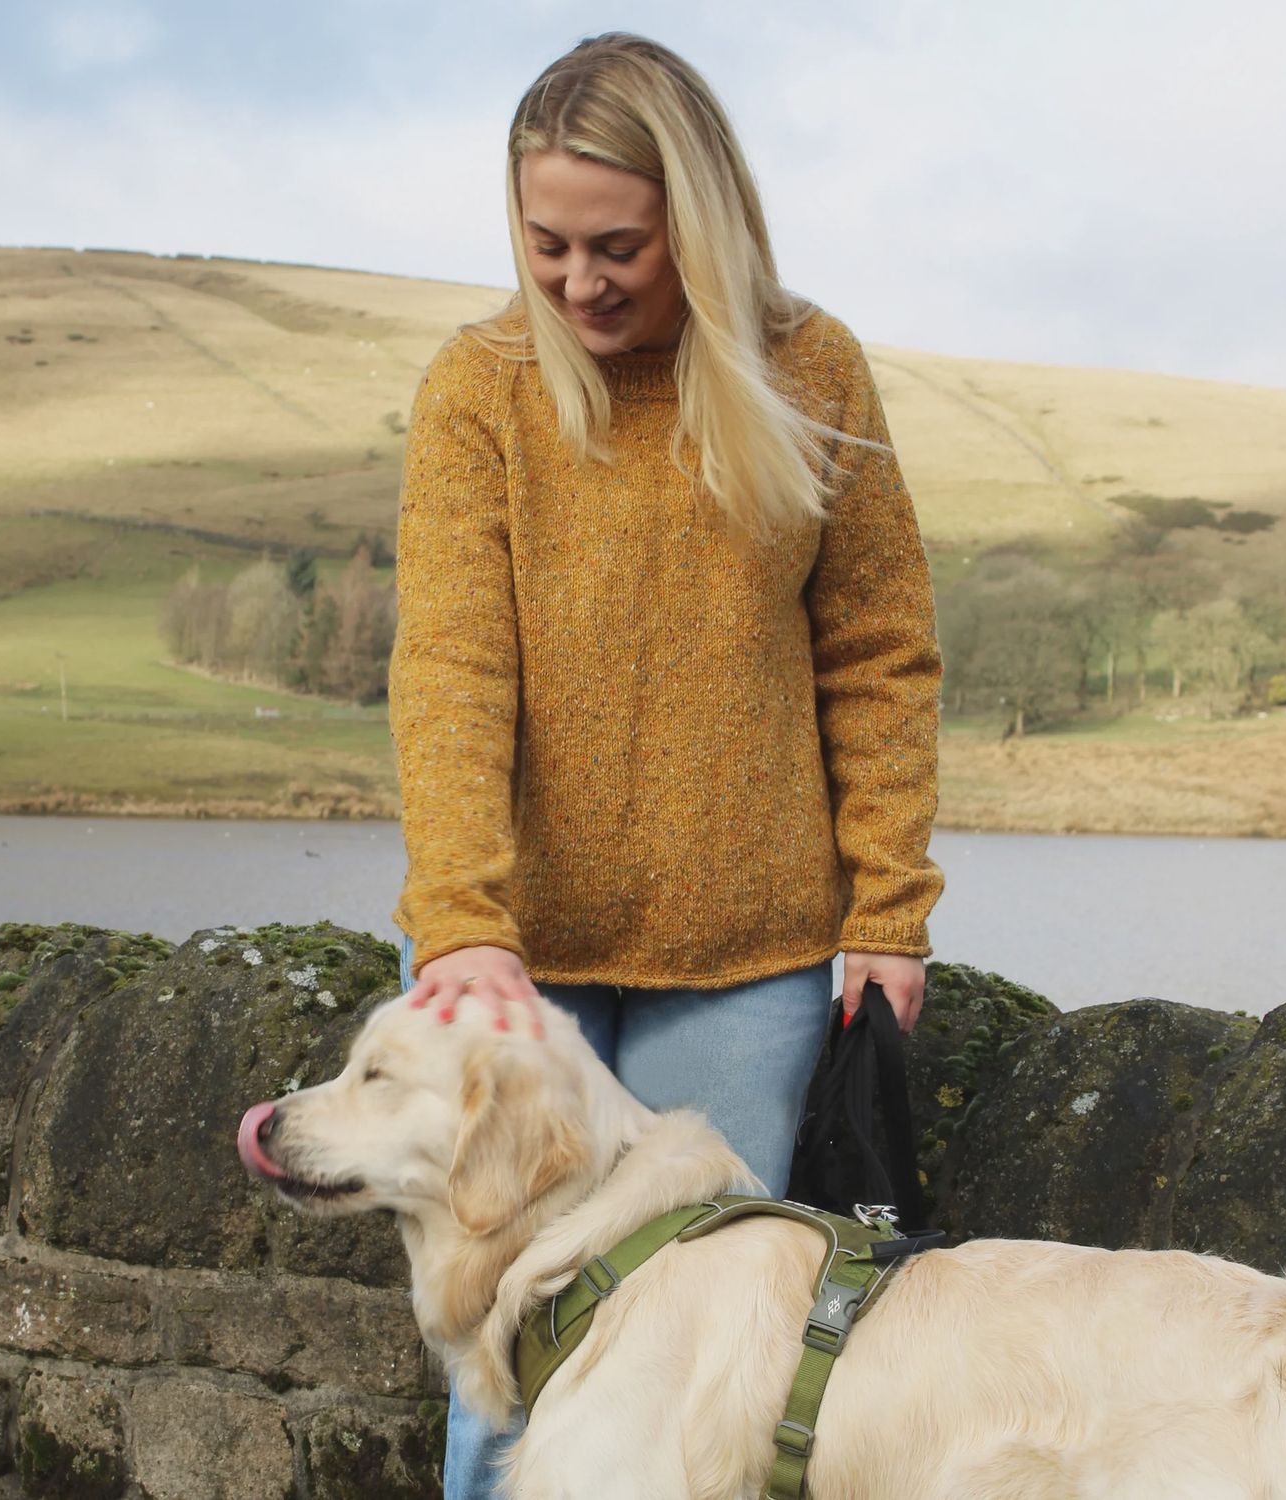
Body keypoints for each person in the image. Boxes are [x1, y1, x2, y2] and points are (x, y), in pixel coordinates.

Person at [387, 32, 943, 1498]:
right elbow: (451, 671)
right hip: (509, 972)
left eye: (621, 245)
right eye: (547, 244)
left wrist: (889, 908)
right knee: (503, 1344)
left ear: (698, 218)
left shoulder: (810, 364)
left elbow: (879, 654)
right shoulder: (480, 387)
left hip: (747, 965)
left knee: (712, 1361)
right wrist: (463, 926)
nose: (580, 283)